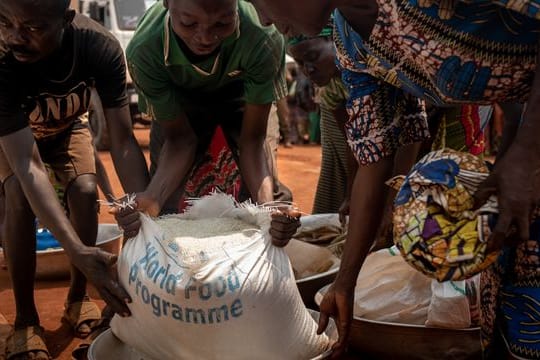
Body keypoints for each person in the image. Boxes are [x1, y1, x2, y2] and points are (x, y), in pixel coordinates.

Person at [249, 0, 540, 357]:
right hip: (524, 146)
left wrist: (526, 153)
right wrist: (345, 281)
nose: (263, 18)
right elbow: (375, 158)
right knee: (518, 307)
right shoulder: (351, 44)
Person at [0, 0, 149, 358]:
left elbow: (123, 140)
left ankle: (78, 298)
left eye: (32, 29)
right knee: (19, 193)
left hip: (67, 129)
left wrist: (147, 217)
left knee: (84, 190)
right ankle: (25, 320)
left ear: (66, 21)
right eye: (4, 22)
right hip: (15, 141)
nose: (15, 37)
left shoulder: (99, 48)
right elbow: (27, 164)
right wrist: (77, 250)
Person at [116, 0, 299, 245]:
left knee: (261, 201)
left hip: (241, 91)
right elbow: (180, 140)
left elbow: (253, 140)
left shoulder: (262, 36)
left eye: (222, 23)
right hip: (180, 97)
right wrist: (153, 196)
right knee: (169, 204)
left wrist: (268, 208)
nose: (204, 37)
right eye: (189, 23)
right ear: (167, 4)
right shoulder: (146, 49)